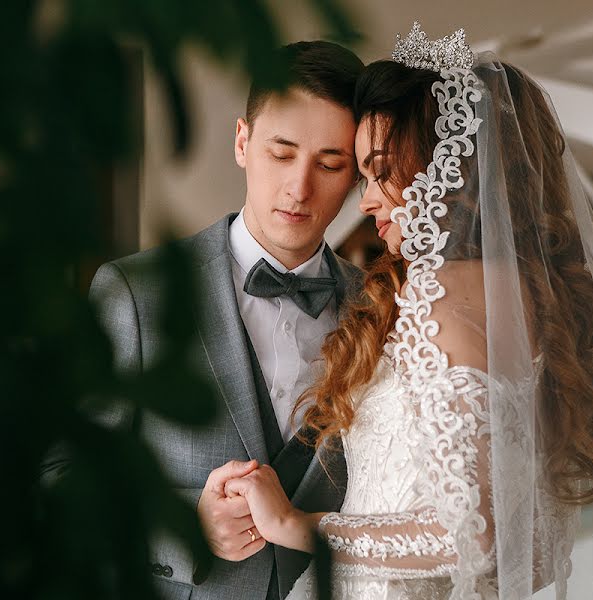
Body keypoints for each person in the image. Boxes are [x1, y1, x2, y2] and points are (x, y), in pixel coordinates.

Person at [224, 24, 593, 599]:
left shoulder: (441, 296)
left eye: (381, 170)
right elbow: (535, 552)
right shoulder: (528, 303)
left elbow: (468, 537)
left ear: (448, 170)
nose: (367, 199)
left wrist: (293, 525)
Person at [86, 41, 365, 600]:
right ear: (242, 142)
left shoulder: (383, 310)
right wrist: (184, 526)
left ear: (357, 172)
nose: (299, 187)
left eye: (329, 164)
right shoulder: (135, 293)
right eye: (281, 154)